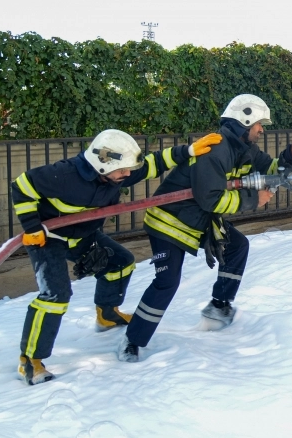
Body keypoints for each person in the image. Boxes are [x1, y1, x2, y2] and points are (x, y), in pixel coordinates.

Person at [12, 129, 222, 384]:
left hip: (83, 235)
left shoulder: (114, 176)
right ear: (103, 164)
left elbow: (153, 164)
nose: (128, 175)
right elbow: (22, 185)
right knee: (56, 295)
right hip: (47, 238)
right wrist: (31, 227)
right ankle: (30, 360)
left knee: (121, 264)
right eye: (123, 170)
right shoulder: (64, 175)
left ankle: (107, 314)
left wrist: (188, 151)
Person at [117, 94, 292, 362]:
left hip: (199, 221)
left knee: (238, 246)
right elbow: (210, 199)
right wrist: (253, 200)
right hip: (170, 223)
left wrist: (290, 154)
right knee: (167, 282)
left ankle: (219, 306)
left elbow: (271, 169)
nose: (261, 130)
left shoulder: (245, 149)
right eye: (259, 124)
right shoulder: (216, 149)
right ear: (244, 121)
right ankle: (132, 341)